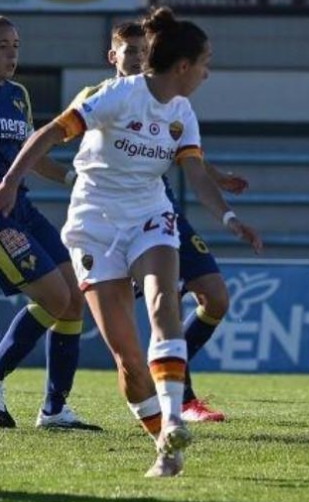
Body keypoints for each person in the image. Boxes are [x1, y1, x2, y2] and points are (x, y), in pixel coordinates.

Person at [0, 7, 262, 478]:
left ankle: (177, 416)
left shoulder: (182, 113)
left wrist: (228, 215)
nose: (208, 72)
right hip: (93, 226)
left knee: (164, 305)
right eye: (205, 62)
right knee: (129, 360)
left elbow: (195, 172)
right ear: (182, 66)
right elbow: (50, 133)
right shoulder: (114, 96)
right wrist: (11, 182)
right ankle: (164, 443)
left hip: (149, 215)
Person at [78, 21, 246, 423]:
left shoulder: (170, 101)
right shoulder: (100, 98)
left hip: (158, 212)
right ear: (113, 56)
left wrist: (217, 179)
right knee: (149, 312)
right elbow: (72, 149)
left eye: (143, 50)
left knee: (215, 297)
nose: (138, 58)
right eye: (130, 51)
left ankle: (176, 395)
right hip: (109, 220)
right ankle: (177, 401)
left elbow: (183, 151)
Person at [0, 15, 98, 430]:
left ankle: (55, 409)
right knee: (55, 300)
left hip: (22, 206)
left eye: (16, 45)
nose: (12, 53)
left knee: (74, 298)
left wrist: (75, 177)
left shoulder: (17, 95)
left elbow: (31, 156)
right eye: (3, 45)